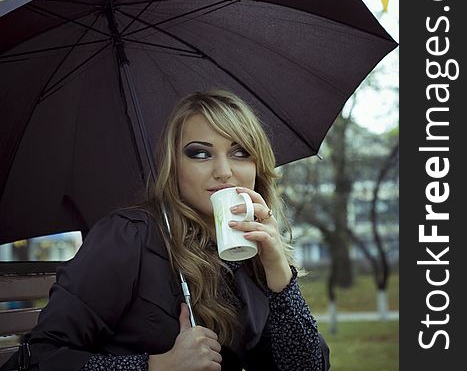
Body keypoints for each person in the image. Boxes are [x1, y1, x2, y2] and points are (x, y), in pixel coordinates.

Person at [5, 89, 330, 371]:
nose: (224, 171)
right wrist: (156, 366)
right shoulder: (127, 237)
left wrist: (277, 269)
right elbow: (41, 359)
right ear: (174, 167)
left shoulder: (248, 254)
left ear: (257, 166)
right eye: (200, 153)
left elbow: (305, 367)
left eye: (240, 152)